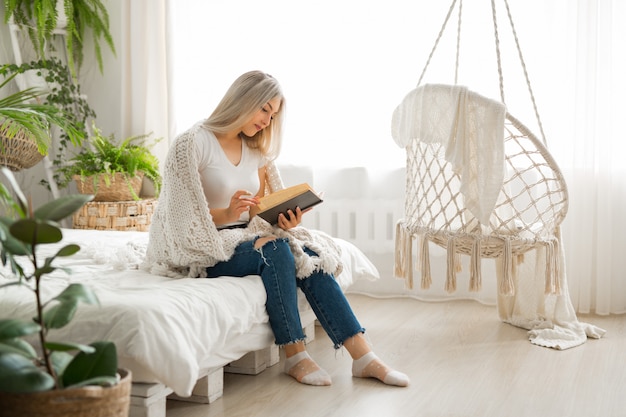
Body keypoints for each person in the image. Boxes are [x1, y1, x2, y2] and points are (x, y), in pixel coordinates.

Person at [143, 70, 409, 387]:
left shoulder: (256, 151)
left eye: (274, 113)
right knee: (275, 249)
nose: (268, 120)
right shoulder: (192, 143)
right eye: (264, 109)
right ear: (244, 101)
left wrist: (283, 219)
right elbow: (178, 218)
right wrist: (226, 212)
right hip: (205, 247)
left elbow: (258, 212)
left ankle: (364, 356)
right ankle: (295, 355)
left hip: (244, 238)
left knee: (308, 253)